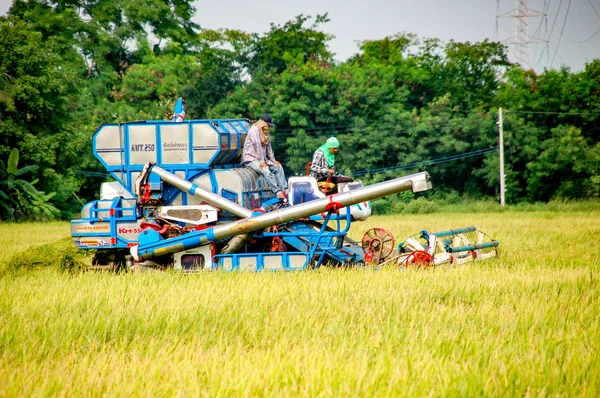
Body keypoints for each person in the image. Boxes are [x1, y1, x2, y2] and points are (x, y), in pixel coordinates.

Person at [242, 114, 287, 199]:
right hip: (251, 159)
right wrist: (262, 161)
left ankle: (284, 190)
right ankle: (277, 192)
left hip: (262, 159)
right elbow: (257, 146)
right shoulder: (254, 129)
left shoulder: (266, 132)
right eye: (268, 125)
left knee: (278, 167)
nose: (269, 127)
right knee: (265, 170)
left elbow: (268, 147)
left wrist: (273, 160)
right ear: (263, 123)